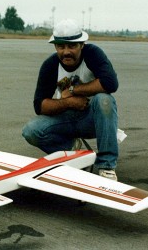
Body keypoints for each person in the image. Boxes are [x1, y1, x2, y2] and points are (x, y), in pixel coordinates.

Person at [22, 19, 119, 181]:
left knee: (105, 100)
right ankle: (74, 154)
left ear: (82, 45)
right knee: (31, 130)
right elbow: (39, 106)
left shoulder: (93, 54)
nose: (66, 52)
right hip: (65, 118)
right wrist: (68, 102)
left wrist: (74, 90)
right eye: (61, 46)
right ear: (55, 47)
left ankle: (106, 166)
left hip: (93, 119)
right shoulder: (50, 65)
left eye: (72, 46)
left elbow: (111, 83)